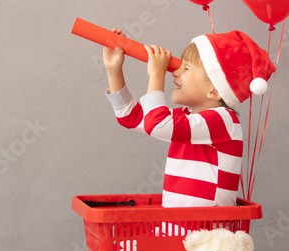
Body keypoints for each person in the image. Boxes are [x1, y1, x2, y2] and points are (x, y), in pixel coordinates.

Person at [102, 28, 276, 207]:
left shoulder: (224, 120)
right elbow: (131, 118)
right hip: (176, 227)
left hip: (206, 232)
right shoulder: (186, 117)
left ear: (214, 90)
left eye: (186, 68)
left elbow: (157, 124)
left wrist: (156, 74)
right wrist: (113, 71)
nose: (175, 72)